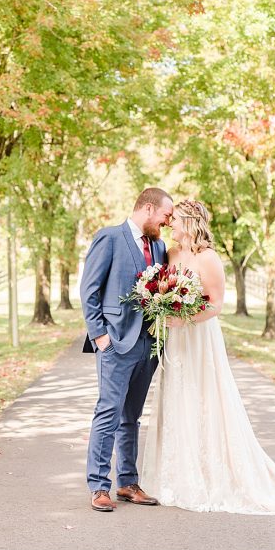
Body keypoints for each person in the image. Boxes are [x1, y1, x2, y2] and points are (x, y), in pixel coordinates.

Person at [138, 199, 275, 515]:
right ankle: (175, 475)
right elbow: (164, 287)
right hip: (176, 339)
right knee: (178, 398)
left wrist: (184, 317)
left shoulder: (209, 259)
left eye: (175, 219)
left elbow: (216, 304)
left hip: (199, 337)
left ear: (190, 222)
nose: (170, 224)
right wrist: (164, 308)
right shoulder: (171, 253)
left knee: (203, 397)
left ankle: (208, 476)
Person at [80, 187, 174, 512]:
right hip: (115, 343)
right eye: (165, 215)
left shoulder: (160, 246)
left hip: (148, 345)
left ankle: (127, 483)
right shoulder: (109, 238)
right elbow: (89, 290)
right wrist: (100, 336)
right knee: (108, 413)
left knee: (131, 417)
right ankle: (98, 486)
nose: (168, 222)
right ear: (148, 209)